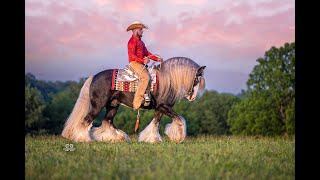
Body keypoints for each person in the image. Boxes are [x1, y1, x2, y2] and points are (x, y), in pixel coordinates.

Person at [126, 21, 163, 110]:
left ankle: (147, 95)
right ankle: (137, 102)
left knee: (152, 76)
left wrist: (156, 59)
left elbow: (146, 53)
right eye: (140, 29)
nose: (142, 31)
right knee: (145, 77)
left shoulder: (141, 42)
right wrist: (143, 60)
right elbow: (131, 56)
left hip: (140, 63)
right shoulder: (131, 42)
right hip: (134, 63)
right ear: (135, 30)